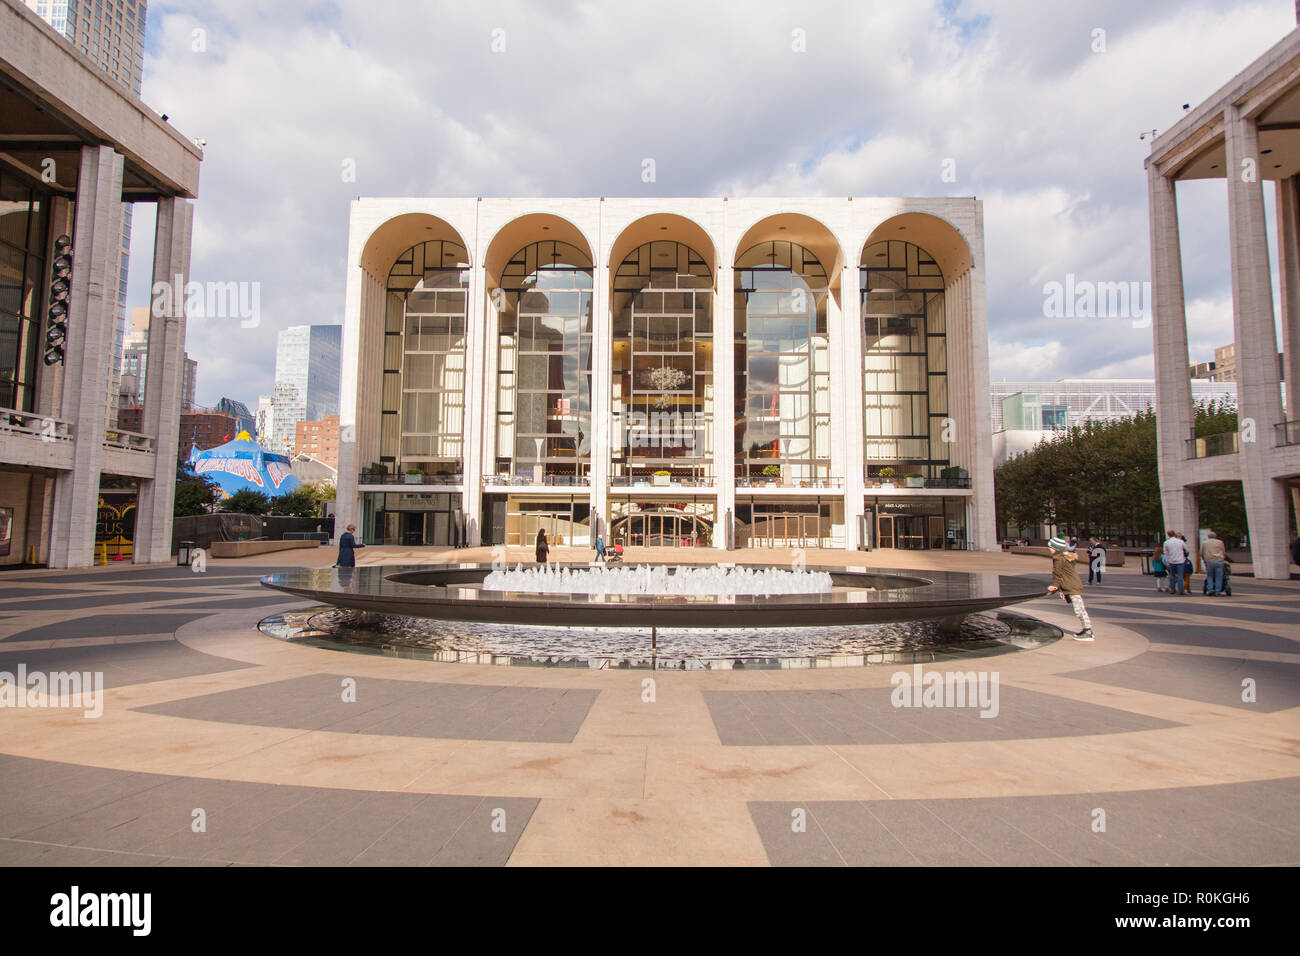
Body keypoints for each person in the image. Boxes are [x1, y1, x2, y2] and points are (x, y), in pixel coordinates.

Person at [1046, 536, 1095, 641]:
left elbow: (1057, 574)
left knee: (1079, 609)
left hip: (1071, 586)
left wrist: (1055, 585)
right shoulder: (1065, 556)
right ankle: (1087, 629)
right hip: (1074, 584)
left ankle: (1088, 631)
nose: (1049, 549)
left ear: (1055, 548)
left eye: (1050, 547)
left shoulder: (1058, 559)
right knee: (1080, 608)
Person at [1200, 530, 1227, 596]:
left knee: (1210, 576)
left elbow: (1202, 553)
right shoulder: (1220, 542)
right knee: (1219, 577)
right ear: (1215, 536)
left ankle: (1210, 590)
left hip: (1209, 561)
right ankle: (1217, 591)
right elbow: (1223, 551)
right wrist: (1223, 557)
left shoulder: (1204, 543)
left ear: (1208, 537)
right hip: (1219, 560)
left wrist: (1204, 559)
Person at [1162, 530, 1188, 595]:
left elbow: (1165, 552)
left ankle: (1172, 589)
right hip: (1180, 560)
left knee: (1172, 575)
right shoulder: (1180, 541)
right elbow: (1186, 550)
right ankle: (1180, 590)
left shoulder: (1166, 542)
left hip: (1172, 561)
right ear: (1174, 534)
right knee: (1180, 576)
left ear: (1168, 535)